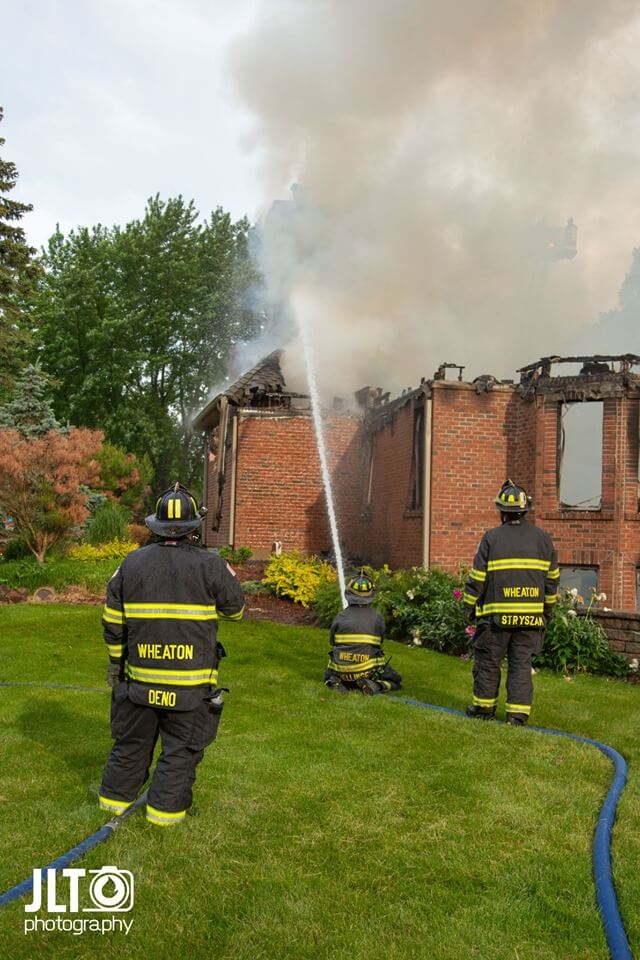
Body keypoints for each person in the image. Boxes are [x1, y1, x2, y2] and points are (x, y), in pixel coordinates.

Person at [99, 483, 244, 827]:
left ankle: (111, 805)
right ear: (195, 526)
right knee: (180, 752)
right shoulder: (210, 565)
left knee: (131, 745)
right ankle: (164, 817)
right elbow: (236, 610)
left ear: (155, 525)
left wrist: (118, 668)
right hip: (190, 688)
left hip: (139, 683)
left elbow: (112, 622)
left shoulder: (130, 563)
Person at [462, 480, 559, 725]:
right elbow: (552, 582)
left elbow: (477, 578)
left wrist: (468, 607)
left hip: (496, 621)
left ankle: (484, 710)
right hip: (530, 619)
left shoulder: (491, 539)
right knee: (520, 666)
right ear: (525, 510)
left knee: (488, 662)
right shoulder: (543, 539)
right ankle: (516, 716)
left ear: (501, 510)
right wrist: (546, 612)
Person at [324, 571, 402, 695]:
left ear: (348, 594)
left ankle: (334, 682)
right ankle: (375, 685)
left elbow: (332, 643)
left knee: (328, 675)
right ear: (371, 595)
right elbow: (379, 644)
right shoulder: (377, 618)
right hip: (368, 671)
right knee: (396, 680)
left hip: (341, 671)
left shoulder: (340, 617)